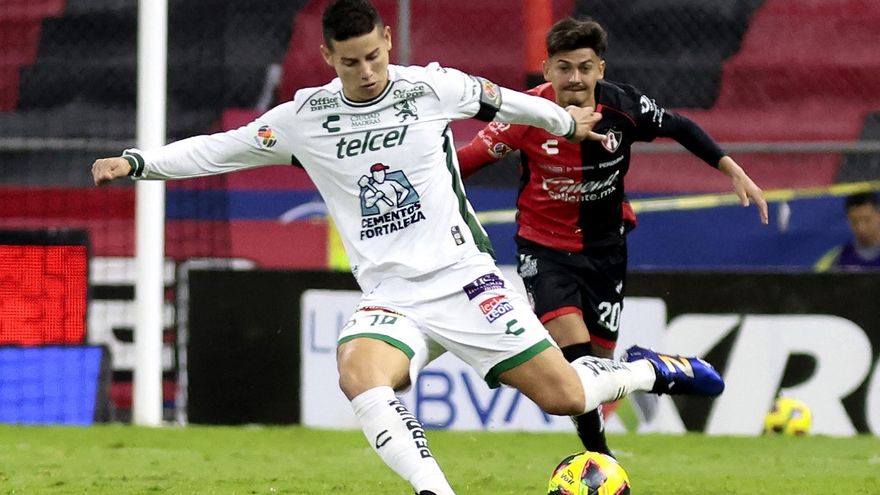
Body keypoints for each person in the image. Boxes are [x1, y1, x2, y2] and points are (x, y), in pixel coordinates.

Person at [91, 2, 724, 494]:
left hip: (464, 280)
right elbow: (219, 149)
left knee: (567, 398)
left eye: (373, 56)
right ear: (327, 57)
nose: (366, 72)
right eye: (350, 62)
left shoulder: (432, 88)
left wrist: (564, 121)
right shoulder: (304, 119)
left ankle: (650, 369)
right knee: (358, 375)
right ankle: (433, 489)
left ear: (388, 40)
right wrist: (138, 162)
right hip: (391, 295)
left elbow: (506, 103)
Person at [456, 17, 767, 457]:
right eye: (564, 67)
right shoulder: (525, 115)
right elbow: (463, 163)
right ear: (547, 69)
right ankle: (600, 458)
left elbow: (679, 126)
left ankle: (640, 374)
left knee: (601, 367)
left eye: (585, 67)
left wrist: (730, 168)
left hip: (606, 249)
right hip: (545, 250)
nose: (575, 78)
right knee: (577, 361)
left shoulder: (624, 107)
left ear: (600, 69)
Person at [815, 191, 880, 271]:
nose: (861, 227)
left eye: (866, 220)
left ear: (878, 216)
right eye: (854, 221)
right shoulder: (840, 259)